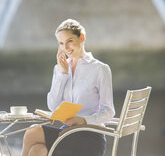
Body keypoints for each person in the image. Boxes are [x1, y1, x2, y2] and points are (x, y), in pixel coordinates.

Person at [22, 19, 115, 156]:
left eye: (69, 41)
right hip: (66, 132)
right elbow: (53, 106)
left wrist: (83, 120)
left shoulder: (100, 69)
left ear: (81, 38)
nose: (65, 47)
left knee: (32, 132)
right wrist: (63, 74)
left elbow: (108, 111)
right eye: (61, 43)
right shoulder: (59, 69)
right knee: (37, 150)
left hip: (91, 136)